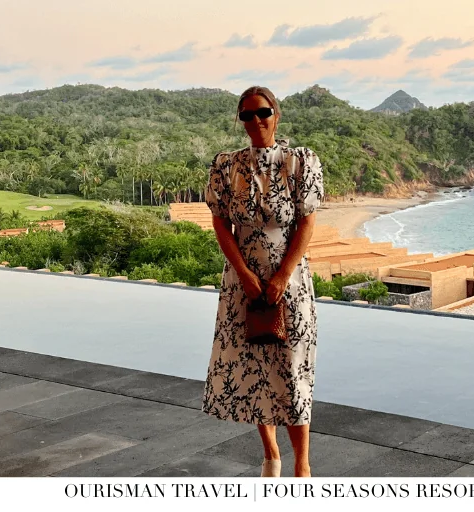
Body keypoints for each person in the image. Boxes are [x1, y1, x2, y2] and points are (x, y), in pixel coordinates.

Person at [201, 85, 324, 478]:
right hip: (243, 279)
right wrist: (245, 274)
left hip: (290, 279)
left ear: (277, 114)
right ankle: (271, 454)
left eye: (263, 113)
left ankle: (302, 465)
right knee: (254, 364)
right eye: (247, 115)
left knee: (291, 369)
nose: (256, 121)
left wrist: (283, 276)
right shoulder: (226, 165)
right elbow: (221, 222)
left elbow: (307, 222)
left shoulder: (300, 161)